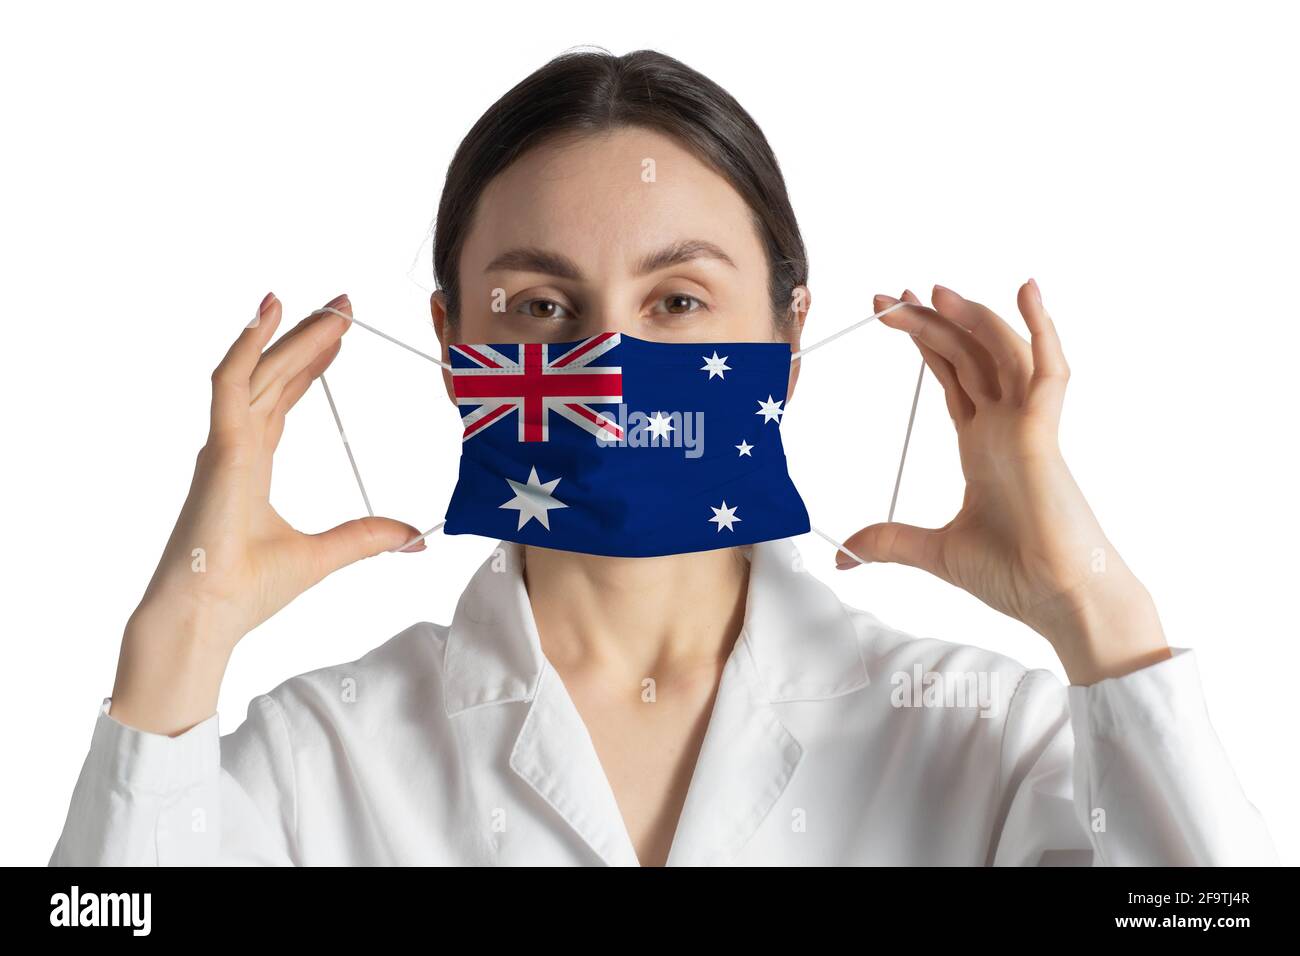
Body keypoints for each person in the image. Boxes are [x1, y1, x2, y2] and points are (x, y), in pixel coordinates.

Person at [49, 48, 1276, 866]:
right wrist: (181, 638)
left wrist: (1094, 612)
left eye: (680, 302)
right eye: (537, 306)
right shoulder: (318, 760)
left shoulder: (979, 739)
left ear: (789, 336)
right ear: (450, 342)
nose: (610, 361)